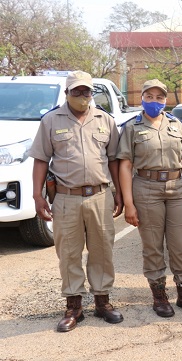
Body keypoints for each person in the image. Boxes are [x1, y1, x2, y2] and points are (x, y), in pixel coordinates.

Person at [30, 70, 124, 332]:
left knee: (102, 250)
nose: (82, 96)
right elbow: (40, 159)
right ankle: (74, 307)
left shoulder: (105, 120)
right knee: (69, 252)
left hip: (100, 196)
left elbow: (114, 159)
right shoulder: (50, 121)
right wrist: (38, 196)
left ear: (92, 93)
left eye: (86, 91)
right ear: (67, 93)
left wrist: (119, 193)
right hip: (66, 197)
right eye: (77, 91)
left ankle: (103, 302)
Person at [117, 79, 182, 318]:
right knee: (153, 246)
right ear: (142, 98)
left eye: (160, 97)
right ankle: (159, 296)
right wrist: (129, 203)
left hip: (176, 188)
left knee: (181, 245)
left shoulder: (176, 124)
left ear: (166, 100)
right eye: (150, 96)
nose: (155, 101)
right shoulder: (132, 126)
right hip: (146, 188)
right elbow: (125, 165)